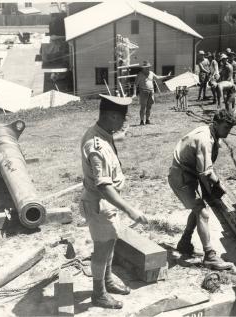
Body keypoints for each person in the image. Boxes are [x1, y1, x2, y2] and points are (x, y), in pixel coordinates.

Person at [80, 94, 148, 309]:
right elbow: (103, 186)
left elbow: (113, 142)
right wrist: (130, 210)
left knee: (110, 243)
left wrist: (123, 134)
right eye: (122, 119)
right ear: (110, 116)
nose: (123, 123)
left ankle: (107, 280)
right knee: (102, 249)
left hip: (107, 205)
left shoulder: (104, 133)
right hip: (100, 204)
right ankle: (98, 293)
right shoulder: (96, 146)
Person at [168, 109, 236, 270]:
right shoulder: (205, 139)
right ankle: (210, 256)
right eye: (226, 128)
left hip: (190, 173)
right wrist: (214, 189)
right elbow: (205, 173)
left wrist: (215, 186)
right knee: (202, 211)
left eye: (230, 128)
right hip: (181, 176)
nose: (228, 131)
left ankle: (184, 242)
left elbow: (207, 170)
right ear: (215, 124)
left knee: (198, 207)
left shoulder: (213, 134)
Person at [133, 60, 169, 125]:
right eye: (146, 67)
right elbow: (135, 84)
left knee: (149, 106)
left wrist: (166, 76)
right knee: (143, 107)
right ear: (143, 68)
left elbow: (157, 77)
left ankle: (147, 120)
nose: (148, 68)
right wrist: (134, 93)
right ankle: (141, 121)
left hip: (151, 91)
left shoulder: (151, 73)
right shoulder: (140, 74)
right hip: (143, 91)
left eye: (148, 67)